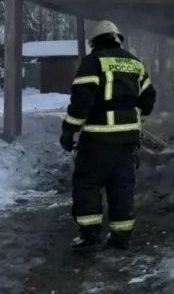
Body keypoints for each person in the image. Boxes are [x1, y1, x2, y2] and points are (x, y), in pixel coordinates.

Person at [60, 21, 156, 251]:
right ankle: (121, 235)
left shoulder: (93, 61)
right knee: (122, 184)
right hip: (128, 138)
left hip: (98, 137)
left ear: (95, 41)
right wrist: (134, 119)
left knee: (88, 183)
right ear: (117, 39)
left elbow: (82, 100)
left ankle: (90, 235)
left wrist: (69, 130)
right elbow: (149, 99)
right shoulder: (135, 63)